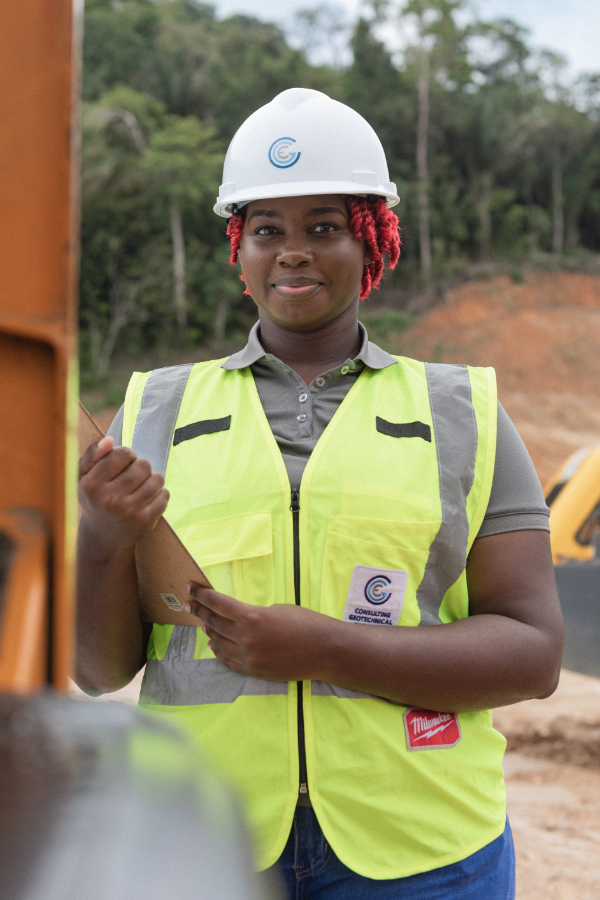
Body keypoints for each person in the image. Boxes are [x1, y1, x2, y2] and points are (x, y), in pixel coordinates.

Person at [76, 89, 563, 899]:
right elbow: (99, 671)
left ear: (371, 242)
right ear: (239, 248)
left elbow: (534, 653)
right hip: (202, 845)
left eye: (324, 227)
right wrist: (100, 539)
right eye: (267, 229)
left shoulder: (463, 413)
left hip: (423, 851)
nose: (293, 252)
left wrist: (329, 649)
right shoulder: (154, 411)